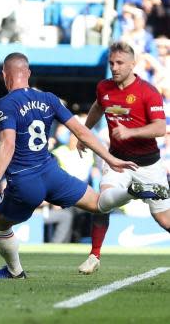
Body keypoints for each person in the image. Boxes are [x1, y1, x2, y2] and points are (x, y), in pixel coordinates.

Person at [0, 52, 138, 279]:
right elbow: (82, 131)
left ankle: (15, 272)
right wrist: (110, 157)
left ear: (4, 75)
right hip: (51, 173)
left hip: (26, 181)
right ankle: (130, 192)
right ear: (28, 73)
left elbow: (8, 144)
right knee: (98, 204)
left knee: (0, 223)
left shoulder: (5, 104)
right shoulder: (49, 99)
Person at [77, 42, 170, 274]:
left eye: (119, 63)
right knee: (101, 203)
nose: (114, 68)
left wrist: (130, 132)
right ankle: (94, 256)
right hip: (117, 161)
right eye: (111, 63)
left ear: (132, 64)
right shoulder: (104, 87)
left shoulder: (148, 91)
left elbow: (160, 128)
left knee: (164, 220)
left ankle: (137, 189)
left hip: (148, 165)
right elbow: (99, 107)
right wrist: (84, 133)